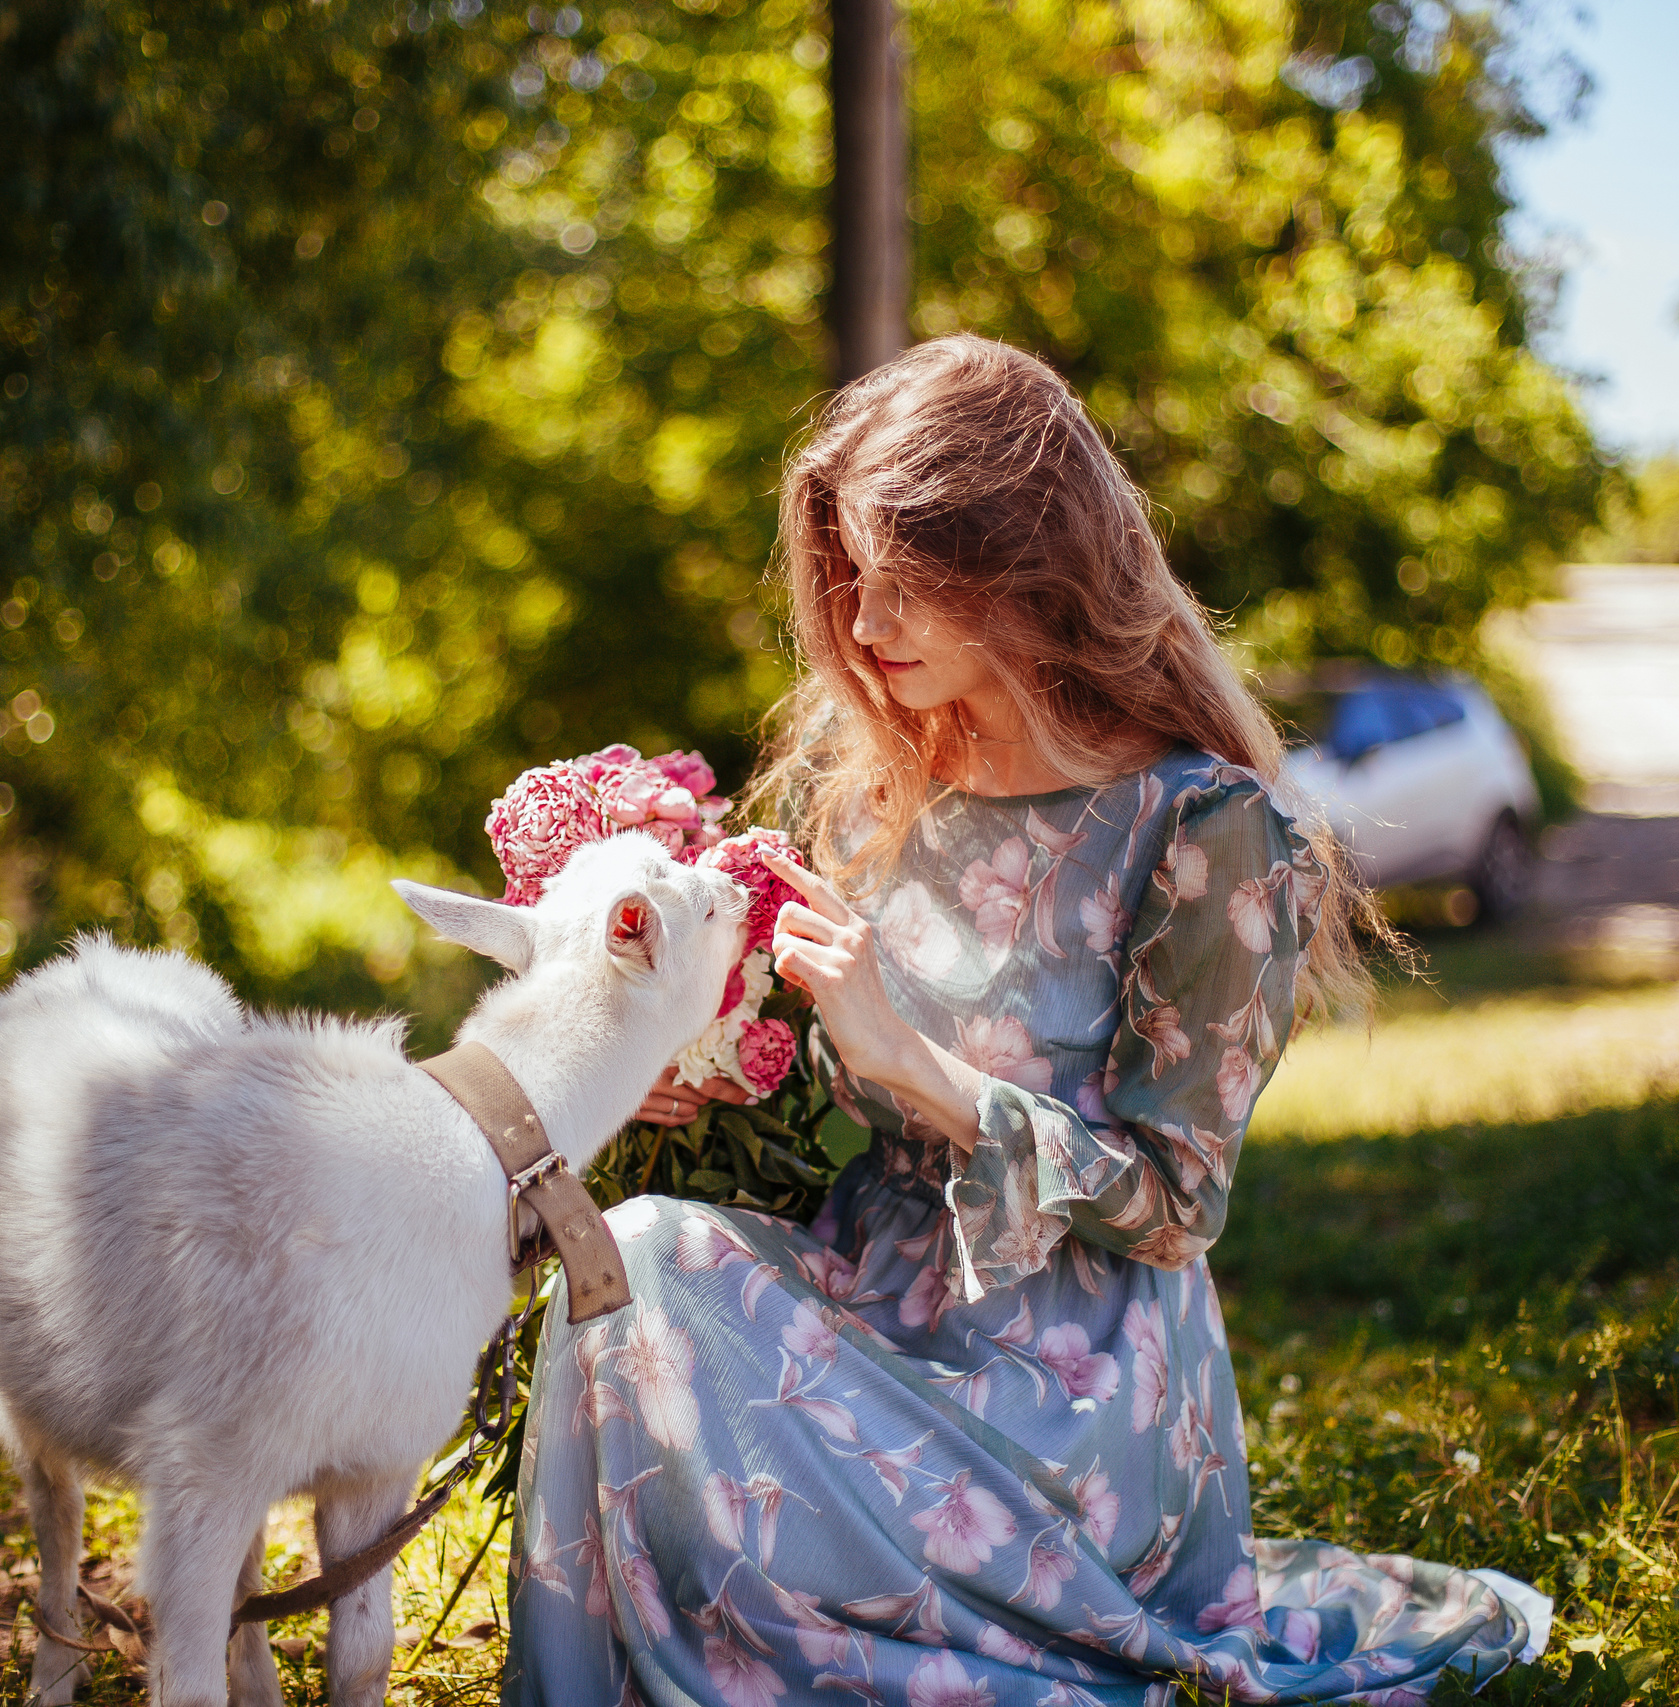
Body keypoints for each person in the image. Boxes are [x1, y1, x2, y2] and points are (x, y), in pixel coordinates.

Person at [505, 336, 1547, 1704]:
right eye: (846, 579)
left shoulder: (1207, 830)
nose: (864, 622)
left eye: (902, 578)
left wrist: (913, 1062)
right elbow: (818, 1102)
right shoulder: (873, 789)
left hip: (1081, 1388)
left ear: (1030, 561)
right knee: (630, 1254)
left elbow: (1177, 1204)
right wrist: (692, 1069)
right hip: (870, 1299)